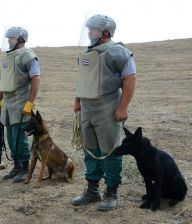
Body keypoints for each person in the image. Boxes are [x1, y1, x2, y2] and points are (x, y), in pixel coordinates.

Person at [71, 14, 137, 211]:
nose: (89, 32)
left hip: (108, 109)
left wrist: (123, 107)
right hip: (87, 111)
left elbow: (130, 79)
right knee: (91, 150)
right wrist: (77, 101)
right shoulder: (87, 53)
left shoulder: (118, 52)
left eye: (93, 29)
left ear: (105, 32)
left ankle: (111, 193)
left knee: (110, 150)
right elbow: (83, 79)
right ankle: (92, 191)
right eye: (88, 29)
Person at [0, 27, 41, 182]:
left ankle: (25, 168)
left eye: (12, 38)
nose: (9, 41)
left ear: (21, 39)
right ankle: (16, 166)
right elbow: (3, 82)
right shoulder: (8, 57)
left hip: (20, 103)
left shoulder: (28, 56)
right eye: (8, 38)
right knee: (10, 137)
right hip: (8, 104)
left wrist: (30, 103)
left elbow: (36, 79)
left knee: (19, 138)